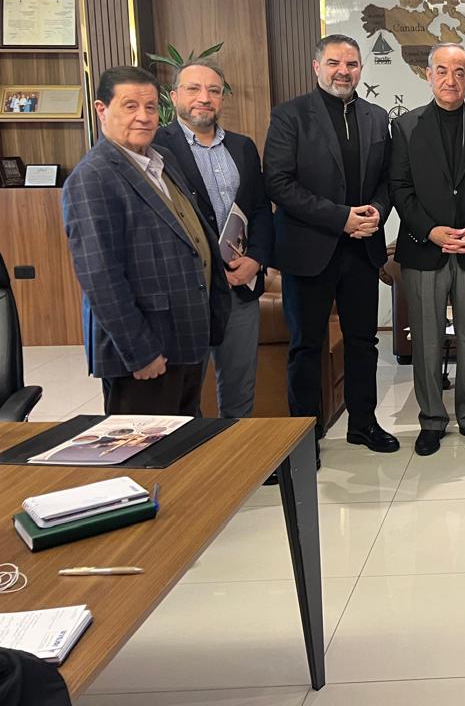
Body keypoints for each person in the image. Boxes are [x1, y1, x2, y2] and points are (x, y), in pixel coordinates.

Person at [62, 67, 230, 415]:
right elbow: (100, 276)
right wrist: (140, 351)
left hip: (183, 340)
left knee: (185, 440)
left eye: (151, 107)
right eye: (130, 106)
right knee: (149, 447)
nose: (143, 116)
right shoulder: (94, 177)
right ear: (101, 110)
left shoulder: (160, 162)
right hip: (146, 353)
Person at [264, 34, 398, 457]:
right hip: (309, 250)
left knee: (363, 342)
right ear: (316, 67)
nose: (344, 71)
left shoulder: (376, 116)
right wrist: (341, 218)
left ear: (361, 69)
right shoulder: (290, 116)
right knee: (306, 346)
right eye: (335, 63)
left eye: (352, 64)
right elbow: (278, 183)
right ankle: (305, 436)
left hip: (361, 250)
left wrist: (377, 211)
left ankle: (363, 424)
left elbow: (387, 179)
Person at [389, 43, 465, 456]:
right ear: (428, 75)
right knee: (427, 339)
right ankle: (432, 419)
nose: (450, 80)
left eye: (459, 72)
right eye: (442, 71)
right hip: (424, 249)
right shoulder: (404, 126)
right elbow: (399, 188)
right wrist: (431, 230)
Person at [154, 58, 273, 419]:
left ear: (222, 98)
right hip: (186, 291)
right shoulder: (155, 147)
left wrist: (257, 259)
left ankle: (237, 450)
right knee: (181, 393)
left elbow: (260, 209)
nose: (204, 97)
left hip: (239, 285)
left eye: (214, 90)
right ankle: (191, 454)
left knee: (239, 388)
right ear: (174, 96)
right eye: (193, 89)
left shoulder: (242, 147)